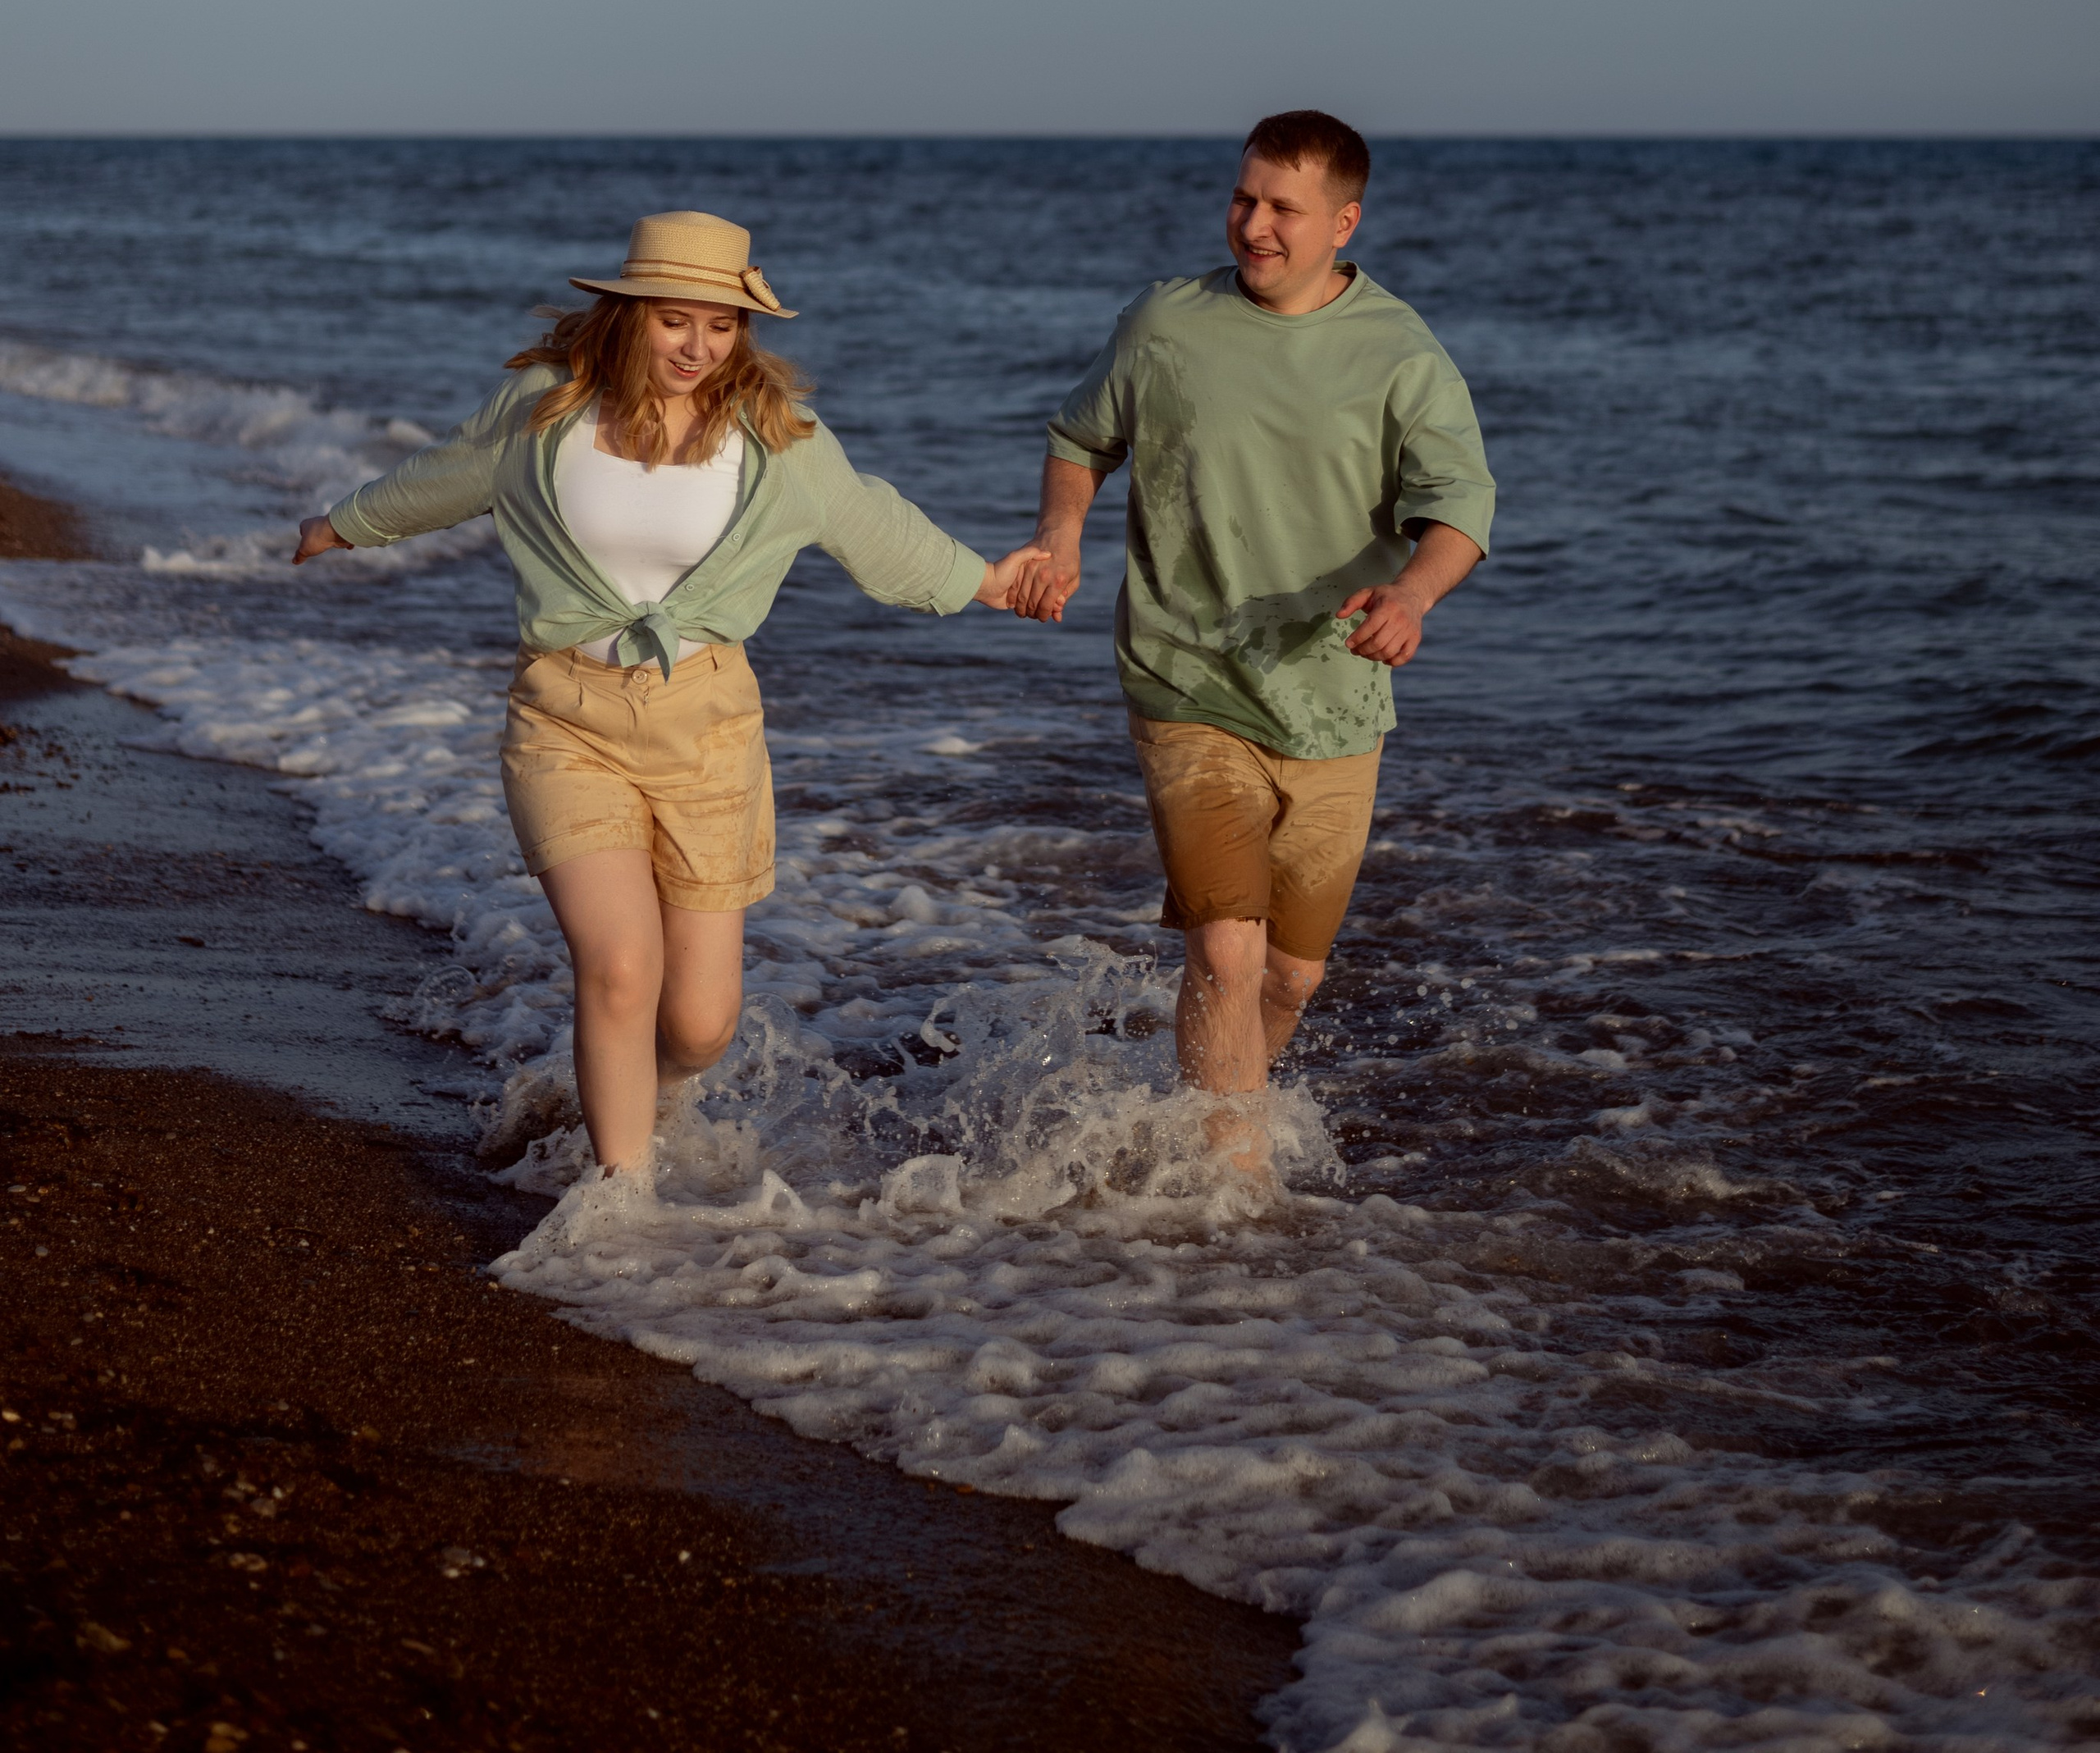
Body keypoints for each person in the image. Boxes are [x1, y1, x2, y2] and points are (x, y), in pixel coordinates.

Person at [294, 209, 1043, 1176]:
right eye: (674, 320)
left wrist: (992, 581)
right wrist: (339, 525)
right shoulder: (543, 409)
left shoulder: (778, 440)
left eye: (722, 324)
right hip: (566, 718)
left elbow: (873, 528)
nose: (698, 346)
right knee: (617, 969)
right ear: (629, 314)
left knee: (698, 1023)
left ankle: (647, 1101)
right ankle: (619, 1204)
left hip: (709, 728)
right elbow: (441, 478)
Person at [1011, 113, 1494, 1140]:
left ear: (1343, 221)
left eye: (1283, 207)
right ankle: (1230, 1202)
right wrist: (1060, 537)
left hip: (1333, 699)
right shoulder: (1164, 322)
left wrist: (1412, 596)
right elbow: (1081, 436)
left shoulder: (1399, 351)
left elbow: (1460, 505)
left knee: (1289, 974)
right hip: (1185, 675)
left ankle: (1189, 1133)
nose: (1254, 224)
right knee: (1225, 955)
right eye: (1244, 198)